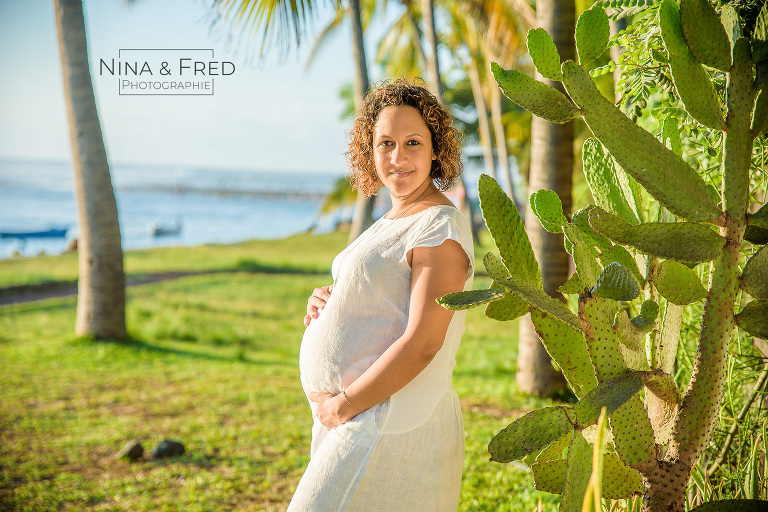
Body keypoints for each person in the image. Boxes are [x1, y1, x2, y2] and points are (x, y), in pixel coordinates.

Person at [288, 78, 474, 511]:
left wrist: (344, 406)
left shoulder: (437, 226)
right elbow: (380, 292)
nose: (398, 157)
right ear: (368, 151)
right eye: (385, 143)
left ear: (436, 149)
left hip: (382, 417)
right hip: (360, 417)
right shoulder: (396, 217)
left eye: (412, 142)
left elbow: (424, 343)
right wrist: (330, 298)